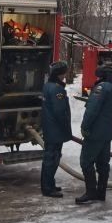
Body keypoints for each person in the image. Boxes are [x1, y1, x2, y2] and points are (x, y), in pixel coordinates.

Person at [75, 64, 112, 204]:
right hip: (107, 131)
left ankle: (90, 192)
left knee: (86, 162)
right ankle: (101, 192)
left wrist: (84, 126)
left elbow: (92, 110)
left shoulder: (101, 88)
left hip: (95, 131)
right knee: (103, 163)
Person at [40, 60, 72, 198]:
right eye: (64, 72)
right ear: (60, 74)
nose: (66, 74)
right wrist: (66, 129)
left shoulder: (48, 86)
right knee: (52, 158)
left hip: (49, 128)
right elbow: (60, 112)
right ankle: (47, 188)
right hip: (55, 130)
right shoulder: (57, 90)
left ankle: (49, 184)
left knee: (51, 157)